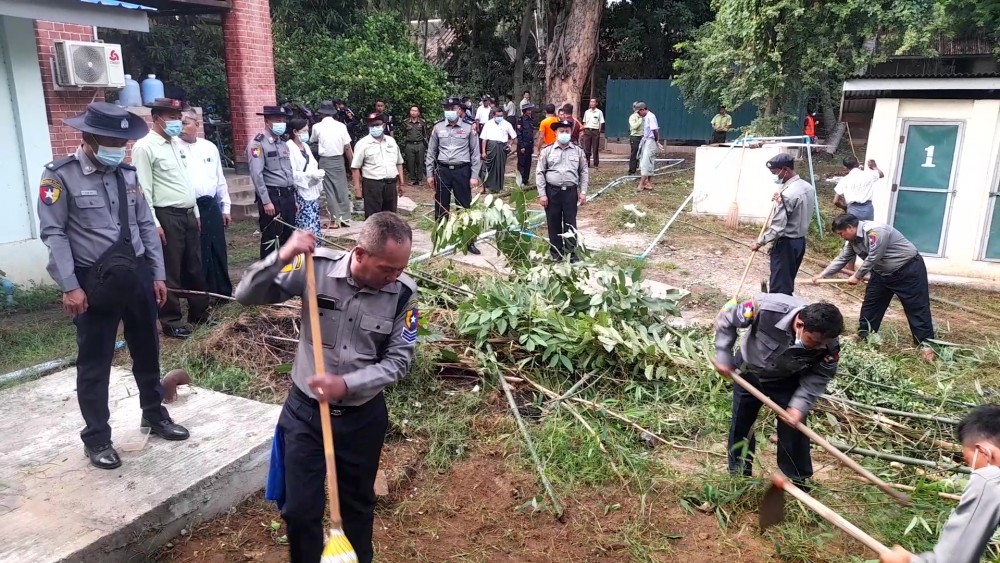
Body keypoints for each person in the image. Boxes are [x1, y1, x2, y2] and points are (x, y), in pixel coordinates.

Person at [235, 213, 418, 563]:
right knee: (299, 510)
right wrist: (284, 255)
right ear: (359, 253)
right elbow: (246, 295)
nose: (394, 277)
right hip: (305, 414)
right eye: (387, 269)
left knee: (356, 508)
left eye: (400, 269)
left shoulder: (403, 294)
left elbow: (399, 362)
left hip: (361, 418)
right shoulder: (313, 268)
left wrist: (345, 384)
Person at [37, 102, 189, 470]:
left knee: (147, 349)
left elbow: (145, 226)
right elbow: (54, 233)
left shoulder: (128, 174)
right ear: (89, 137)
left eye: (123, 142)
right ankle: (97, 437)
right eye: (112, 141)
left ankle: (154, 414)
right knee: (95, 361)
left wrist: (157, 275)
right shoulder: (60, 176)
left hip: (136, 275)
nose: (119, 148)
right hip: (93, 282)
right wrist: (70, 286)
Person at [712, 295, 843, 487]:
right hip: (748, 371)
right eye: (814, 342)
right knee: (742, 422)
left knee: (794, 428)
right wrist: (723, 354)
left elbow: (821, 374)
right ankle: (739, 474)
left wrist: (798, 406)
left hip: (786, 379)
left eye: (822, 344)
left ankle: (798, 479)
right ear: (800, 325)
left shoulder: (829, 342)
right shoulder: (765, 308)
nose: (819, 347)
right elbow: (726, 319)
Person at [880, 404, 1000, 563]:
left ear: (984, 453)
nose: (972, 469)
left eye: (969, 461)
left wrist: (909, 561)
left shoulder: (989, 479)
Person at [132, 97, 209, 339]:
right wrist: (153, 223)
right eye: (171, 117)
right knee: (170, 269)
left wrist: (195, 212)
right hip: (166, 216)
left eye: (178, 117)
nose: (176, 122)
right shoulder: (144, 147)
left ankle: (199, 312)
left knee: (195, 266)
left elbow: (186, 181)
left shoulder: (175, 144)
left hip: (187, 213)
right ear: (156, 118)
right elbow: (143, 190)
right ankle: (171, 320)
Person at [813, 214, 936, 362]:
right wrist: (822, 275)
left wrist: (857, 275)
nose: (841, 236)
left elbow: (874, 256)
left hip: (907, 270)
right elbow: (842, 258)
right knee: (872, 304)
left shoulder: (876, 231)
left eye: (841, 233)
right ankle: (864, 333)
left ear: (850, 227)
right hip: (881, 273)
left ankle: (926, 344)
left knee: (916, 307)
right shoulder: (852, 241)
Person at [178, 107, 233, 298]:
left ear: (197, 124)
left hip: (211, 204)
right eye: (178, 123)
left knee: (217, 246)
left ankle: (222, 290)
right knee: (197, 250)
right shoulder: (174, 148)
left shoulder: (209, 147)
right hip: (189, 207)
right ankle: (201, 293)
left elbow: (219, 178)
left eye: (185, 123)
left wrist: (225, 207)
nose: (181, 127)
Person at [751, 153, 815, 295]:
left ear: (786, 169)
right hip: (799, 243)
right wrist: (780, 199)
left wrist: (759, 242)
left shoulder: (788, 195)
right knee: (787, 281)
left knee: (779, 287)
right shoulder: (807, 187)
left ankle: (777, 307)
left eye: (775, 173)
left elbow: (777, 228)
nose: (775, 176)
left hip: (786, 245)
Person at [426, 97, 482, 254]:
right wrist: (429, 174)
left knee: (464, 207)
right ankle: (440, 239)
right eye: (447, 108)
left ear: (460, 110)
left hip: (462, 171)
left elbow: (475, 153)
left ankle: (468, 241)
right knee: (441, 206)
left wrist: (474, 176)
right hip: (442, 171)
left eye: (453, 108)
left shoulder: (469, 127)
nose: (450, 111)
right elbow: (431, 152)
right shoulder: (438, 127)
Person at [247, 105, 296, 259]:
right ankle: (268, 271)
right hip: (273, 197)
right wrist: (266, 201)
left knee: (289, 236)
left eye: (283, 120)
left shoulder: (283, 143)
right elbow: (257, 174)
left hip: (287, 195)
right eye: (277, 120)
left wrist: (293, 198)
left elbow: (288, 171)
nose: (281, 124)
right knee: (272, 236)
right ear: (267, 121)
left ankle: (286, 270)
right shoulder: (258, 144)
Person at [537, 120, 589, 262]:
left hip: (570, 193)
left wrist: (583, 192)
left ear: (571, 133)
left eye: (567, 131)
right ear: (555, 133)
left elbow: (584, 172)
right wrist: (542, 194)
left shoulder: (578, 151)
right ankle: (556, 253)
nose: (564, 134)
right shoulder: (547, 151)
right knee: (553, 222)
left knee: (570, 223)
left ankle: (571, 253)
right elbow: (540, 172)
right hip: (552, 192)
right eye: (561, 131)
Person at [312, 100, 355, 229]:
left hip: (325, 160)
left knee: (329, 190)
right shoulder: (341, 126)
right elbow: (347, 147)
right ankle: (345, 217)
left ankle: (335, 219)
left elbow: (313, 140)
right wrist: (352, 164)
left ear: (321, 113)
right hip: (339, 159)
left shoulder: (317, 127)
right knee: (341, 188)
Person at [351, 114, 404, 219]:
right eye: (372, 125)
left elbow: (399, 163)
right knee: (373, 219)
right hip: (372, 185)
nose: (375, 128)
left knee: (390, 218)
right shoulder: (363, 143)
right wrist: (357, 188)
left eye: (377, 125)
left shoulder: (391, 141)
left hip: (390, 184)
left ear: (383, 125)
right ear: (368, 127)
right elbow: (355, 167)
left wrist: (401, 183)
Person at [287, 117, 325, 242]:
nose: (306, 134)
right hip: (300, 192)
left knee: (314, 223)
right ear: (295, 132)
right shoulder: (289, 147)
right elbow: (291, 172)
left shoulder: (305, 146)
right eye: (303, 131)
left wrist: (317, 175)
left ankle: (316, 250)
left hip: (311, 190)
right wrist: (309, 176)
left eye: (307, 131)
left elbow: (313, 164)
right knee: (305, 226)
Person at [833, 157, 883, 221]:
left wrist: (845, 208)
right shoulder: (868, 175)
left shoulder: (844, 180)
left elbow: (835, 201)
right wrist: (874, 167)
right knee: (868, 226)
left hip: (852, 210)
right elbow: (881, 174)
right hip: (867, 209)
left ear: (845, 167)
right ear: (858, 163)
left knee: (853, 227)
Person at [480, 107, 517, 194]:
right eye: (498, 116)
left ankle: (497, 188)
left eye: (501, 116)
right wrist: (483, 152)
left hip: (502, 148)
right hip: (491, 147)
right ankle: (483, 187)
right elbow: (484, 139)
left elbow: (513, 137)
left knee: (499, 168)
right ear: (493, 116)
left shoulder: (507, 124)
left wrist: (509, 145)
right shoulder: (488, 124)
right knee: (485, 167)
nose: (500, 117)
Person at [402, 106, 429, 186]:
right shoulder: (406, 122)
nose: (413, 112)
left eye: (415, 111)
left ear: (418, 113)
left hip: (420, 144)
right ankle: (412, 179)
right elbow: (404, 133)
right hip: (409, 144)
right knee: (410, 162)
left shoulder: (422, 122)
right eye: (412, 110)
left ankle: (420, 179)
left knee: (420, 161)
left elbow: (425, 134)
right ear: (410, 112)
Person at [636, 102, 659, 191]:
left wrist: (656, 141)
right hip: (646, 140)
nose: (638, 114)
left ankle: (641, 184)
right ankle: (648, 183)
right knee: (645, 161)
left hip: (650, 140)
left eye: (639, 112)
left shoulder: (651, 116)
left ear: (642, 110)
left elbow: (655, 130)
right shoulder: (646, 117)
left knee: (646, 162)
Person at [515, 103, 536, 188]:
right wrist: (522, 146)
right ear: (525, 111)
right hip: (523, 145)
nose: (530, 111)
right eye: (528, 110)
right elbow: (519, 134)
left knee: (528, 163)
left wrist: (532, 146)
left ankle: (526, 180)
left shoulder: (531, 120)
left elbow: (531, 133)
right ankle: (520, 181)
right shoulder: (521, 120)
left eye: (530, 110)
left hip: (529, 145)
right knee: (521, 163)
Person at [581, 98, 605, 168]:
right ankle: (587, 163)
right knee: (587, 148)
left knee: (595, 148)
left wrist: (599, 131)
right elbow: (584, 122)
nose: (592, 103)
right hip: (587, 130)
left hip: (595, 131)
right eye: (591, 102)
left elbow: (601, 122)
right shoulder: (587, 112)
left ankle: (596, 163)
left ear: (596, 103)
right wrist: (583, 131)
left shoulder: (599, 112)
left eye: (593, 102)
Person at [628, 101, 643, 175]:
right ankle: (632, 171)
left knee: (641, 154)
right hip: (635, 137)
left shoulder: (644, 116)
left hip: (642, 137)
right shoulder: (633, 117)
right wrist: (640, 119)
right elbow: (634, 126)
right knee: (634, 154)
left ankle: (640, 169)